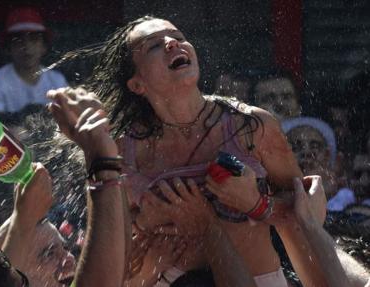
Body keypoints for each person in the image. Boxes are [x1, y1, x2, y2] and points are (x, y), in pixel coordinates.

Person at [54, 16, 327, 286]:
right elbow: (116, 266)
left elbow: (310, 216)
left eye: (179, 37)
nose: (172, 43)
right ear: (137, 84)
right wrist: (146, 227)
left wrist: (256, 203)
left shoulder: (252, 126)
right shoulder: (122, 150)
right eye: (154, 46)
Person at [0, 7, 68, 114]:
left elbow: (67, 118)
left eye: (34, 39)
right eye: (18, 40)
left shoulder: (57, 80)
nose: (26, 46)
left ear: (44, 46)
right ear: (9, 48)